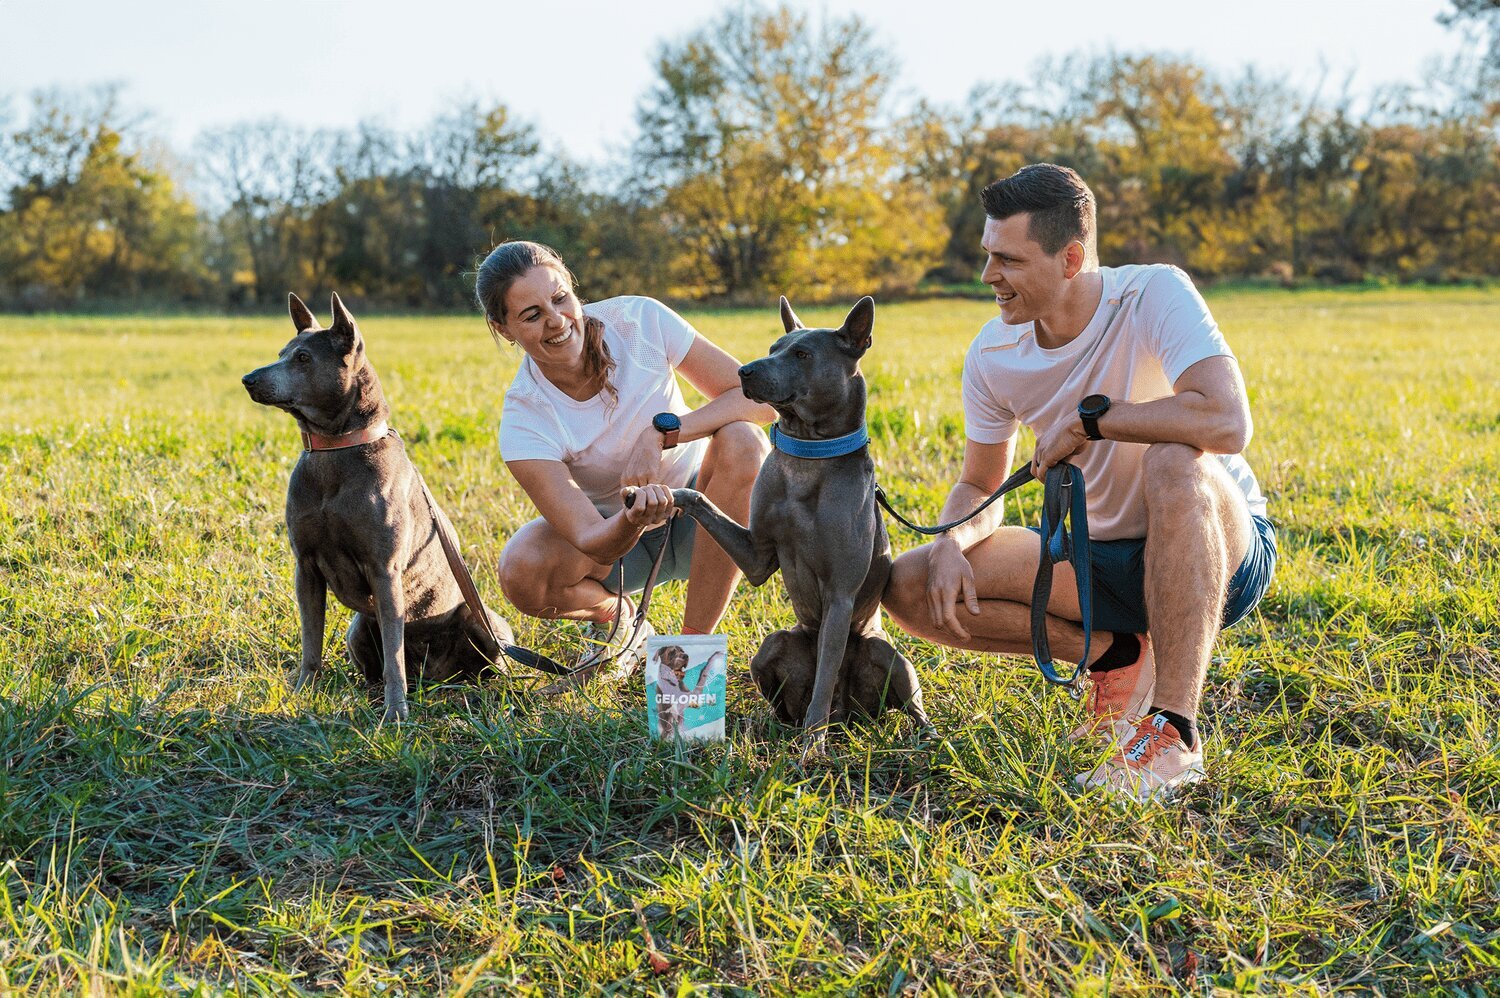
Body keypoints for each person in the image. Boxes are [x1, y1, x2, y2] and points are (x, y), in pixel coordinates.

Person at [883, 164, 1276, 802]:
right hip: (1097, 563)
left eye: (1007, 260)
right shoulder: (992, 355)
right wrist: (955, 538)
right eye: (987, 256)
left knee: (1175, 459)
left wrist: (1095, 423)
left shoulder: (1152, 293)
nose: (989, 277)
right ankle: (1116, 656)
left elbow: (1227, 422)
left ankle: (1172, 732)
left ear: (1070, 258)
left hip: (1217, 548)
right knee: (909, 583)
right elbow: (979, 481)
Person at [477, 241, 773, 674]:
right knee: (522, 569)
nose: (557, 321)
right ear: (504, 329)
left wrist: (661, 433)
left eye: (560, 298)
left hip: (706, 514)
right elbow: (591, 538)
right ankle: (620, 620)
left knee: (743, 441)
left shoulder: (640, 320)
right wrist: (632, 518)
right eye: (532, 314)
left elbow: (760, 398)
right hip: (617, 543)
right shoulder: (524, 418)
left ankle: (688, 657)